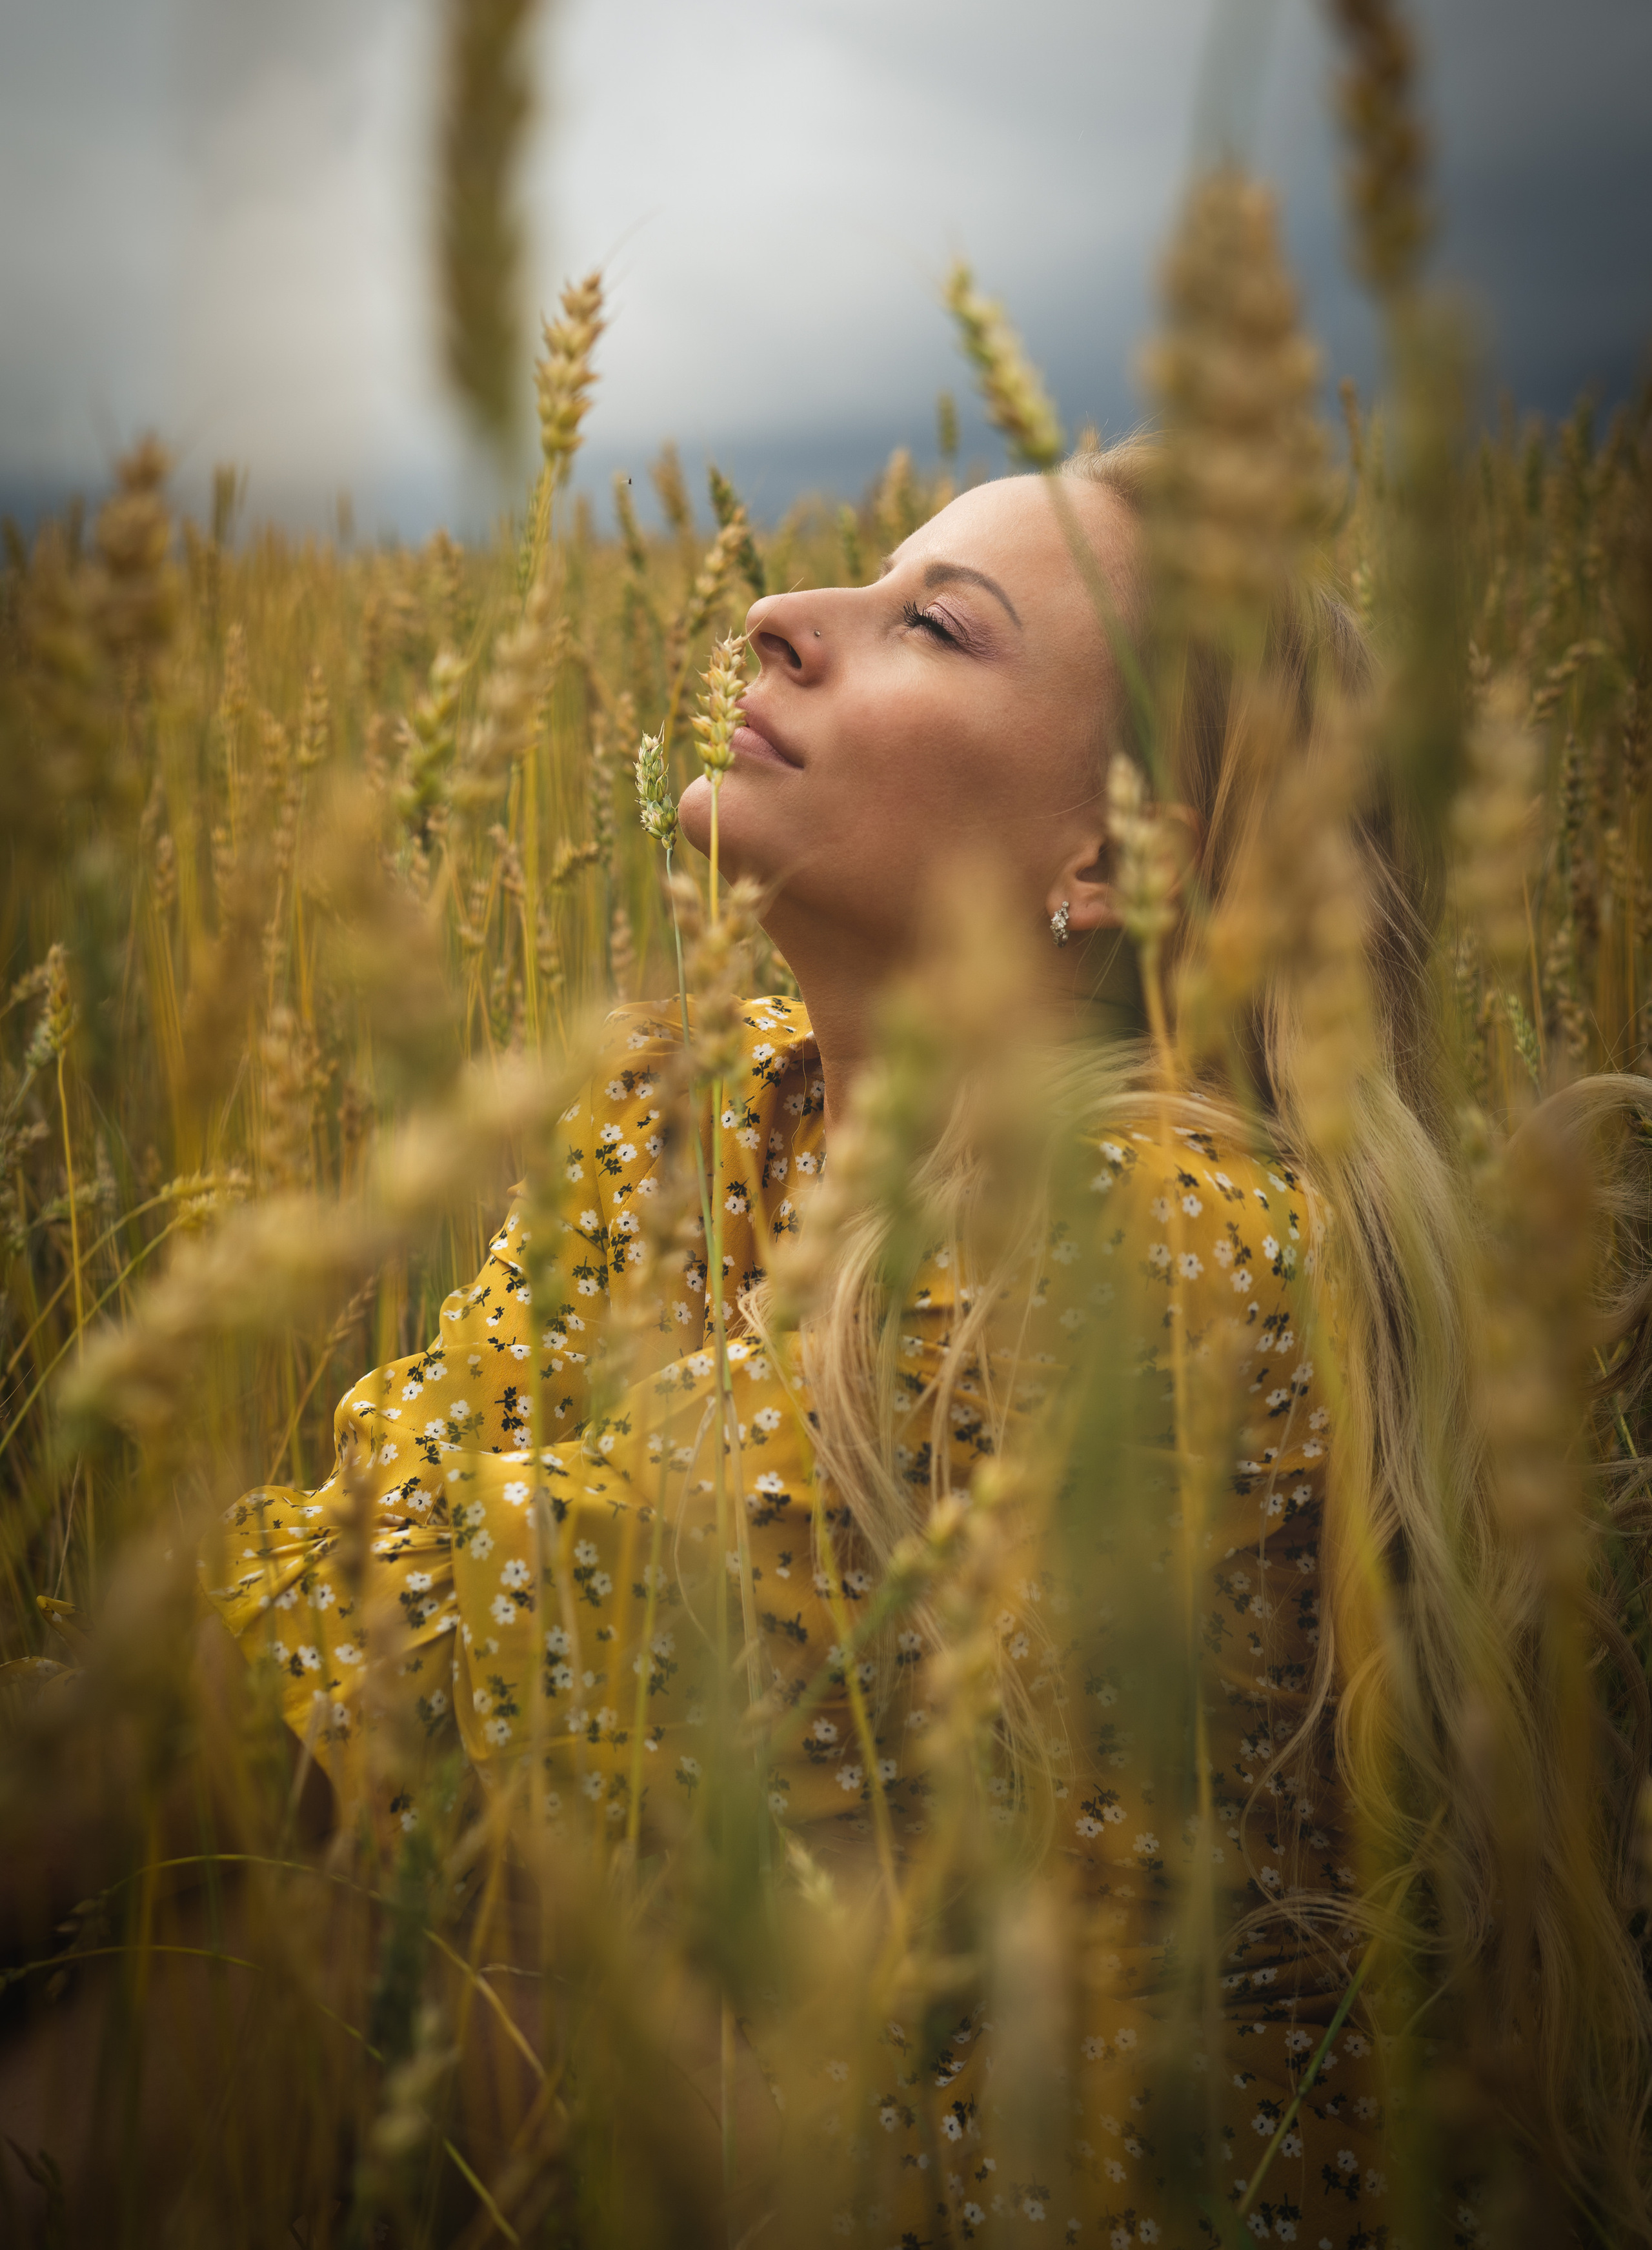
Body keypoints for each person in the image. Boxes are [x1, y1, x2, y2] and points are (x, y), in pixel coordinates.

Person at [194, 448, 1651, 2245]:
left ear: (1120, 859)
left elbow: (504, 1615)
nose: (774, 621)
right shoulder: (683, 1116)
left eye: (934, 628)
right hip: (756, 2020)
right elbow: (400, 1555)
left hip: (1084, 2160)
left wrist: (312, 1615)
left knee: (305, 1988)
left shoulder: (1164, 1243)